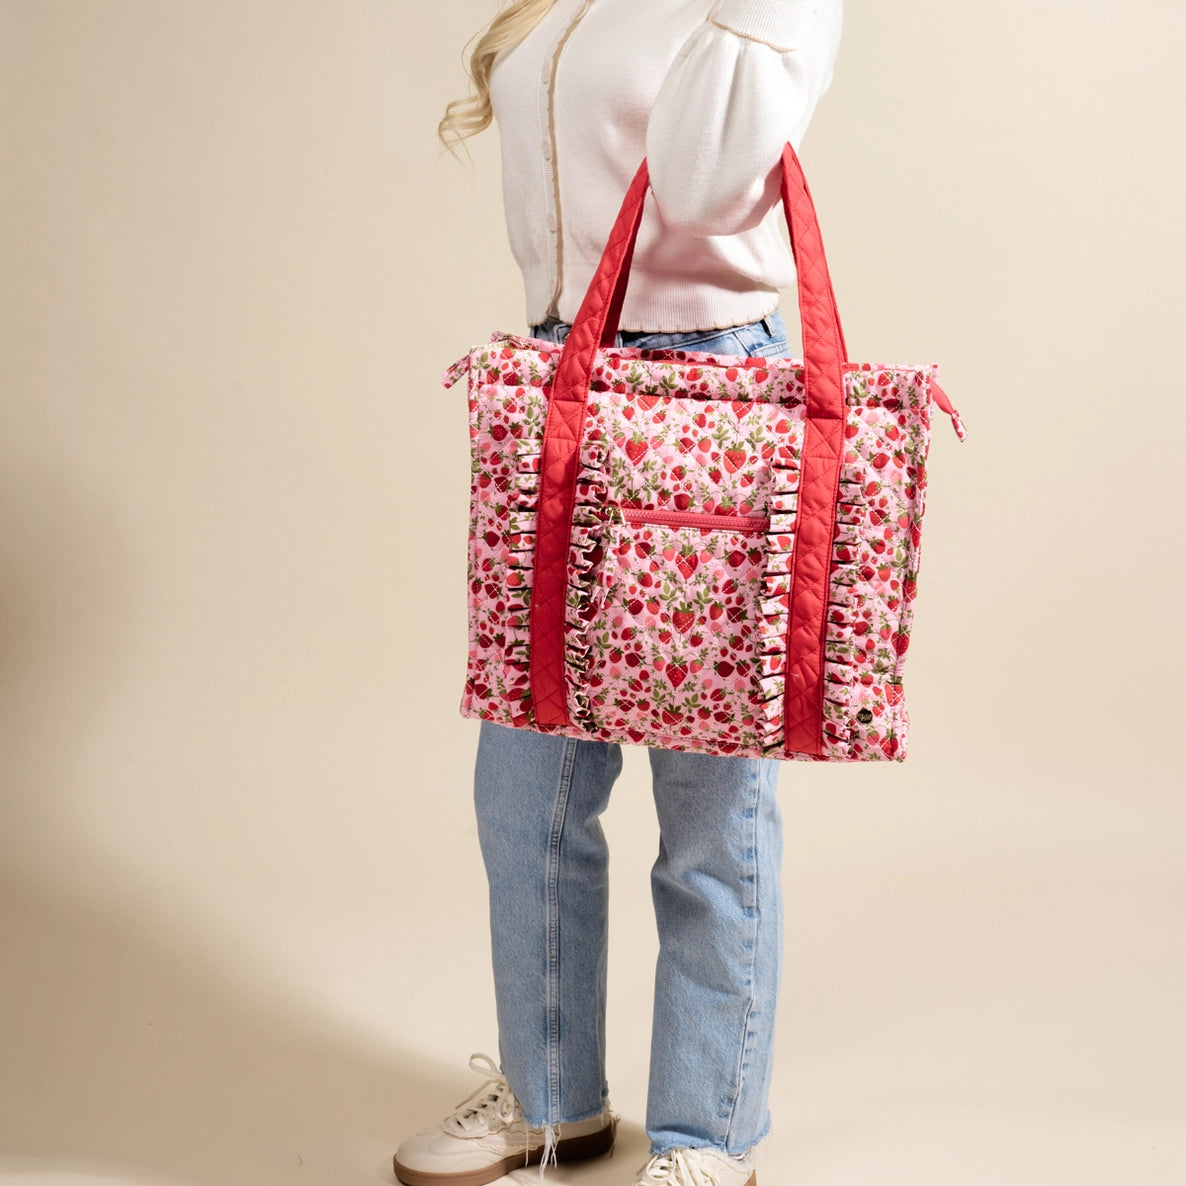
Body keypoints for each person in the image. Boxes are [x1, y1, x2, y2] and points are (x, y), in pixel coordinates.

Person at [395, 3, 843, 1186]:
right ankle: (555, 1102)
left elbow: (696, 188)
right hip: (566, 373)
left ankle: (704, 1135)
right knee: (524, 790)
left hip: (708, 388)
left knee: (710, 816)